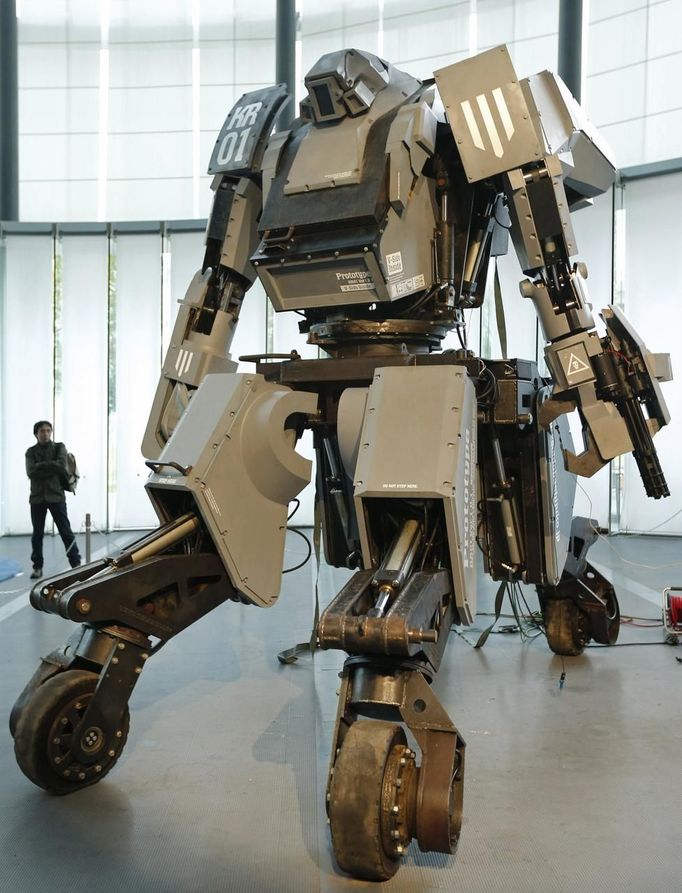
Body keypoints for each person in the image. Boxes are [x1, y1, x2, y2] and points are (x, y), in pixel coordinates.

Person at [25, 420, 81, 579]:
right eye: (42, 431)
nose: (46, 433)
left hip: (56, 496)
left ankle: (75, 563)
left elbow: (61, 465)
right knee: (37, 534)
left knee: (66, 532)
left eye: (48, 430)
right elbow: (31, 472)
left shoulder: (59, 447)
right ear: (36, 433)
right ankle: (37, 567)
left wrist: (41, 466)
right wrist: (52, 466)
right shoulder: (30, 452)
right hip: (37, 498)